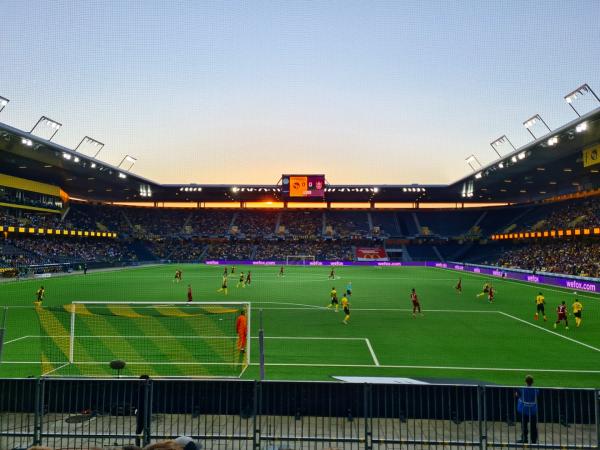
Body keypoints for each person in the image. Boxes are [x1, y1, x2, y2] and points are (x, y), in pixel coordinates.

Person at [515, 375, 539, 444]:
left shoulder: (522, 389)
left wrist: (518, 395)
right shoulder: (536, 389)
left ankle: (524, 439)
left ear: (525, 381)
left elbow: (517, 394)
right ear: (532, 382)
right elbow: (537, 395)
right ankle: (533, 440)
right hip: (533, 410)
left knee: (524, 425)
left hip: (523, 410)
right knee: (533, 426)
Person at [135, 374, 150, 447]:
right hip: (143, 411)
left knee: (140, 429)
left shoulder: (139, 389)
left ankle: (139, 445)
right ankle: (145, 444)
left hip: (141, 411)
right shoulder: (145, 389)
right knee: (143, 428)